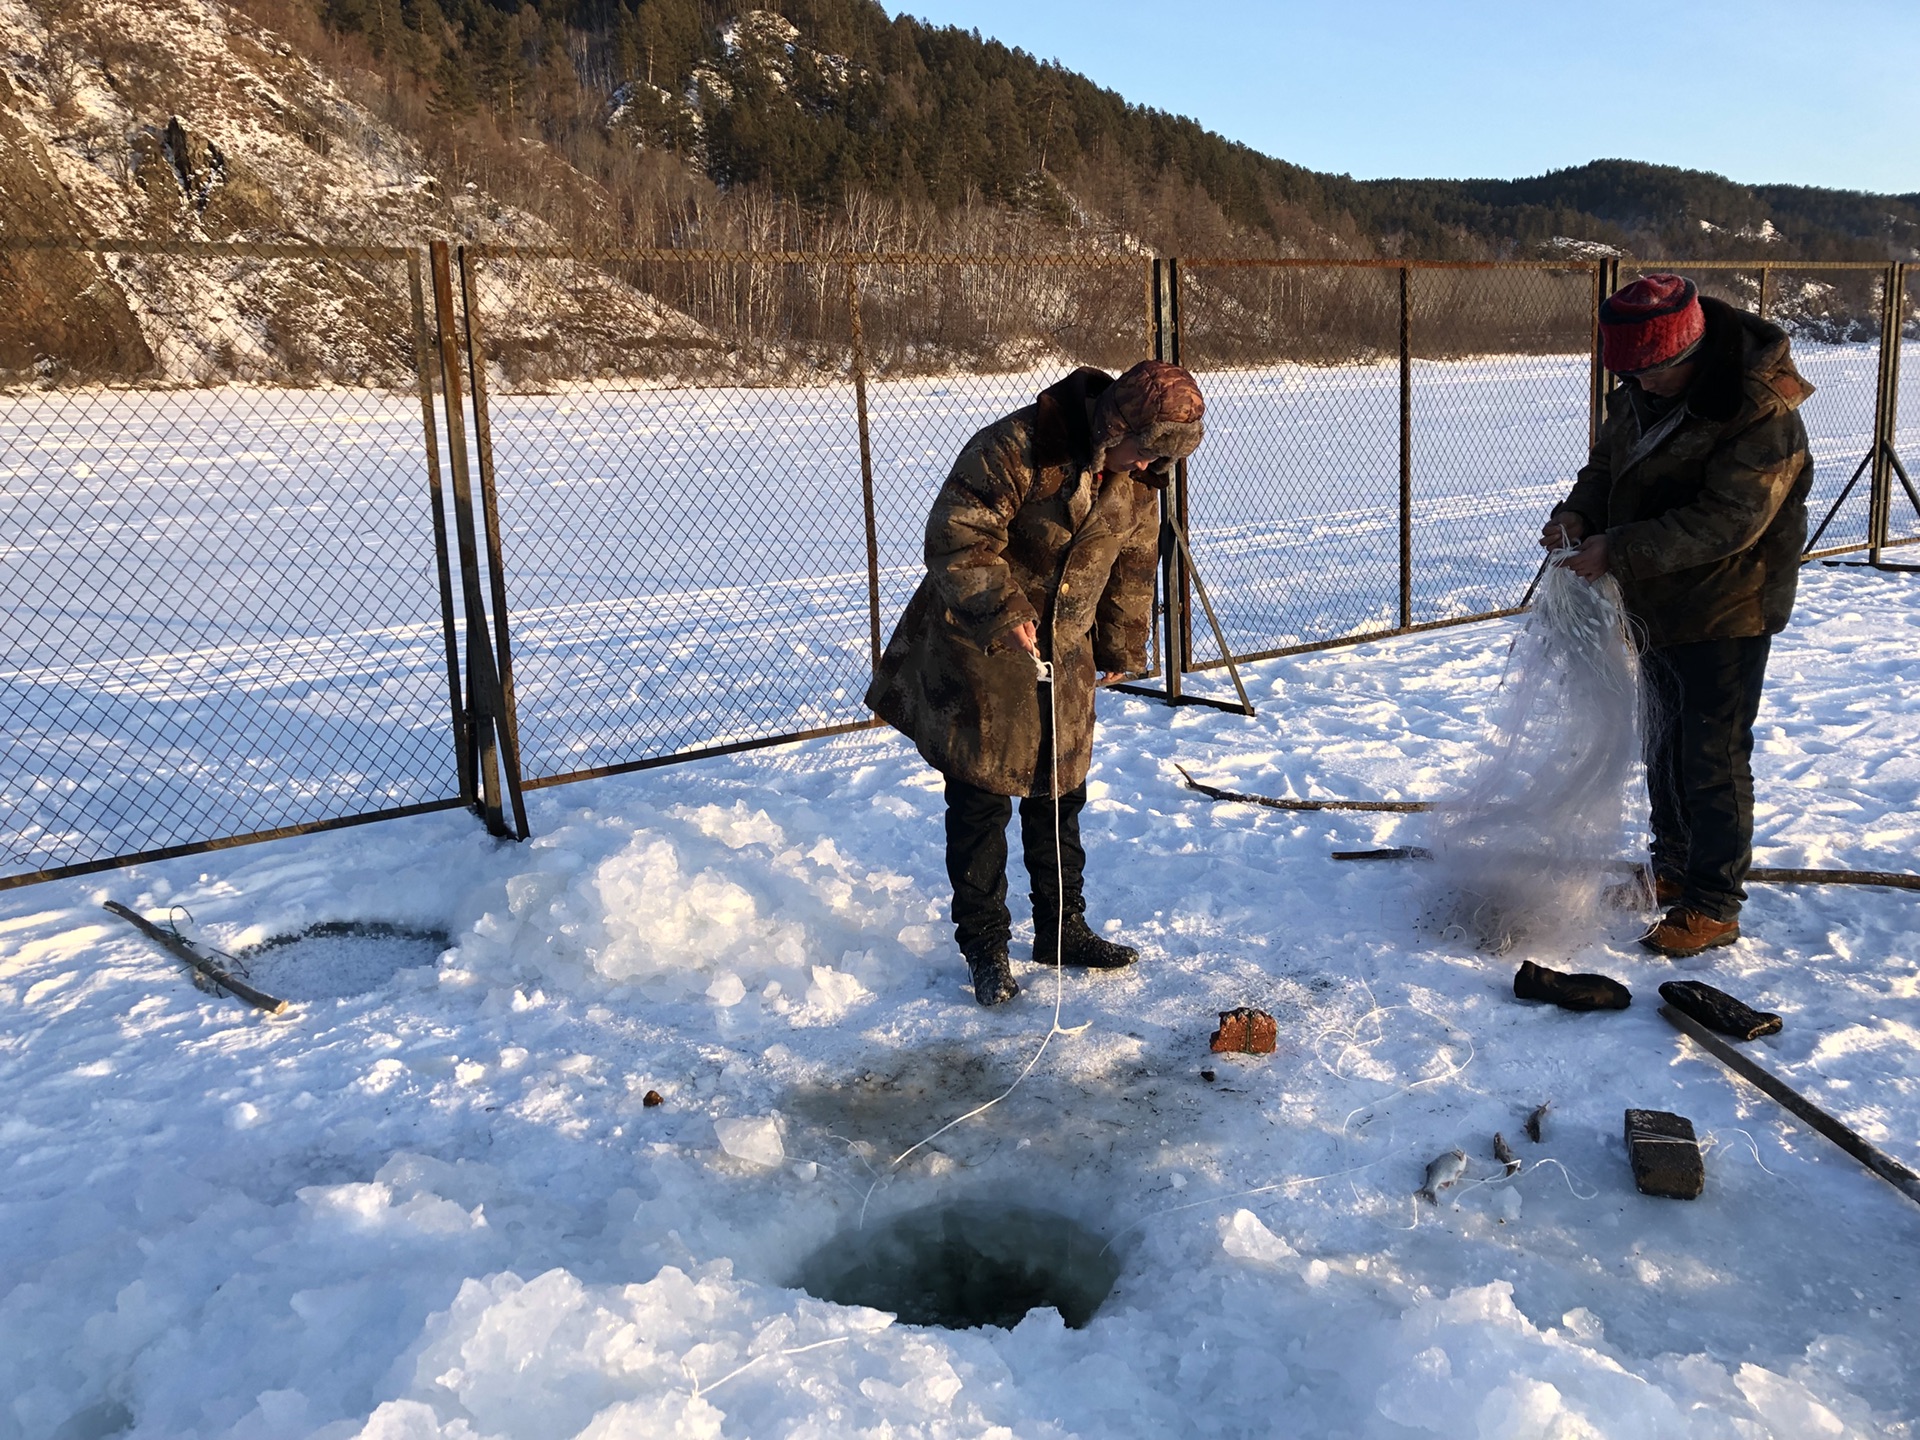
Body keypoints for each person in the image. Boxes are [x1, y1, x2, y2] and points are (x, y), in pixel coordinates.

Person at [866, 360, 1205, 1004]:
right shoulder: (1018, 447)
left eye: (1157, 458)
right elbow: (958, 536)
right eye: (1140, 449)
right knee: (982, 800)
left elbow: (1132, 561)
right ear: (1117, 422)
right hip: (982, 644)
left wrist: (1119, 643)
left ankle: (1060, 928)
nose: (1143, 466)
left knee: (1059, 793)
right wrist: (1006, 609)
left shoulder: (1137, 475)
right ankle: (986, 945)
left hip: (1064, 652)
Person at [1543, 274, 1814, 958]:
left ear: (1688, 352)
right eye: (1629, 373)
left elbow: (1732, 520)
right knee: (1663, 738)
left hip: (1731, 601)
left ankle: (1715, 903)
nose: (1641, 386)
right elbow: (1607, 466)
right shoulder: (1638, 392)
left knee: (1712, 753)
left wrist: (1620, 548)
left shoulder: (1758, 407)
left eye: (1653, 372)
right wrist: (1579, 513)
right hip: (1655, 599)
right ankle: (1671, 866)